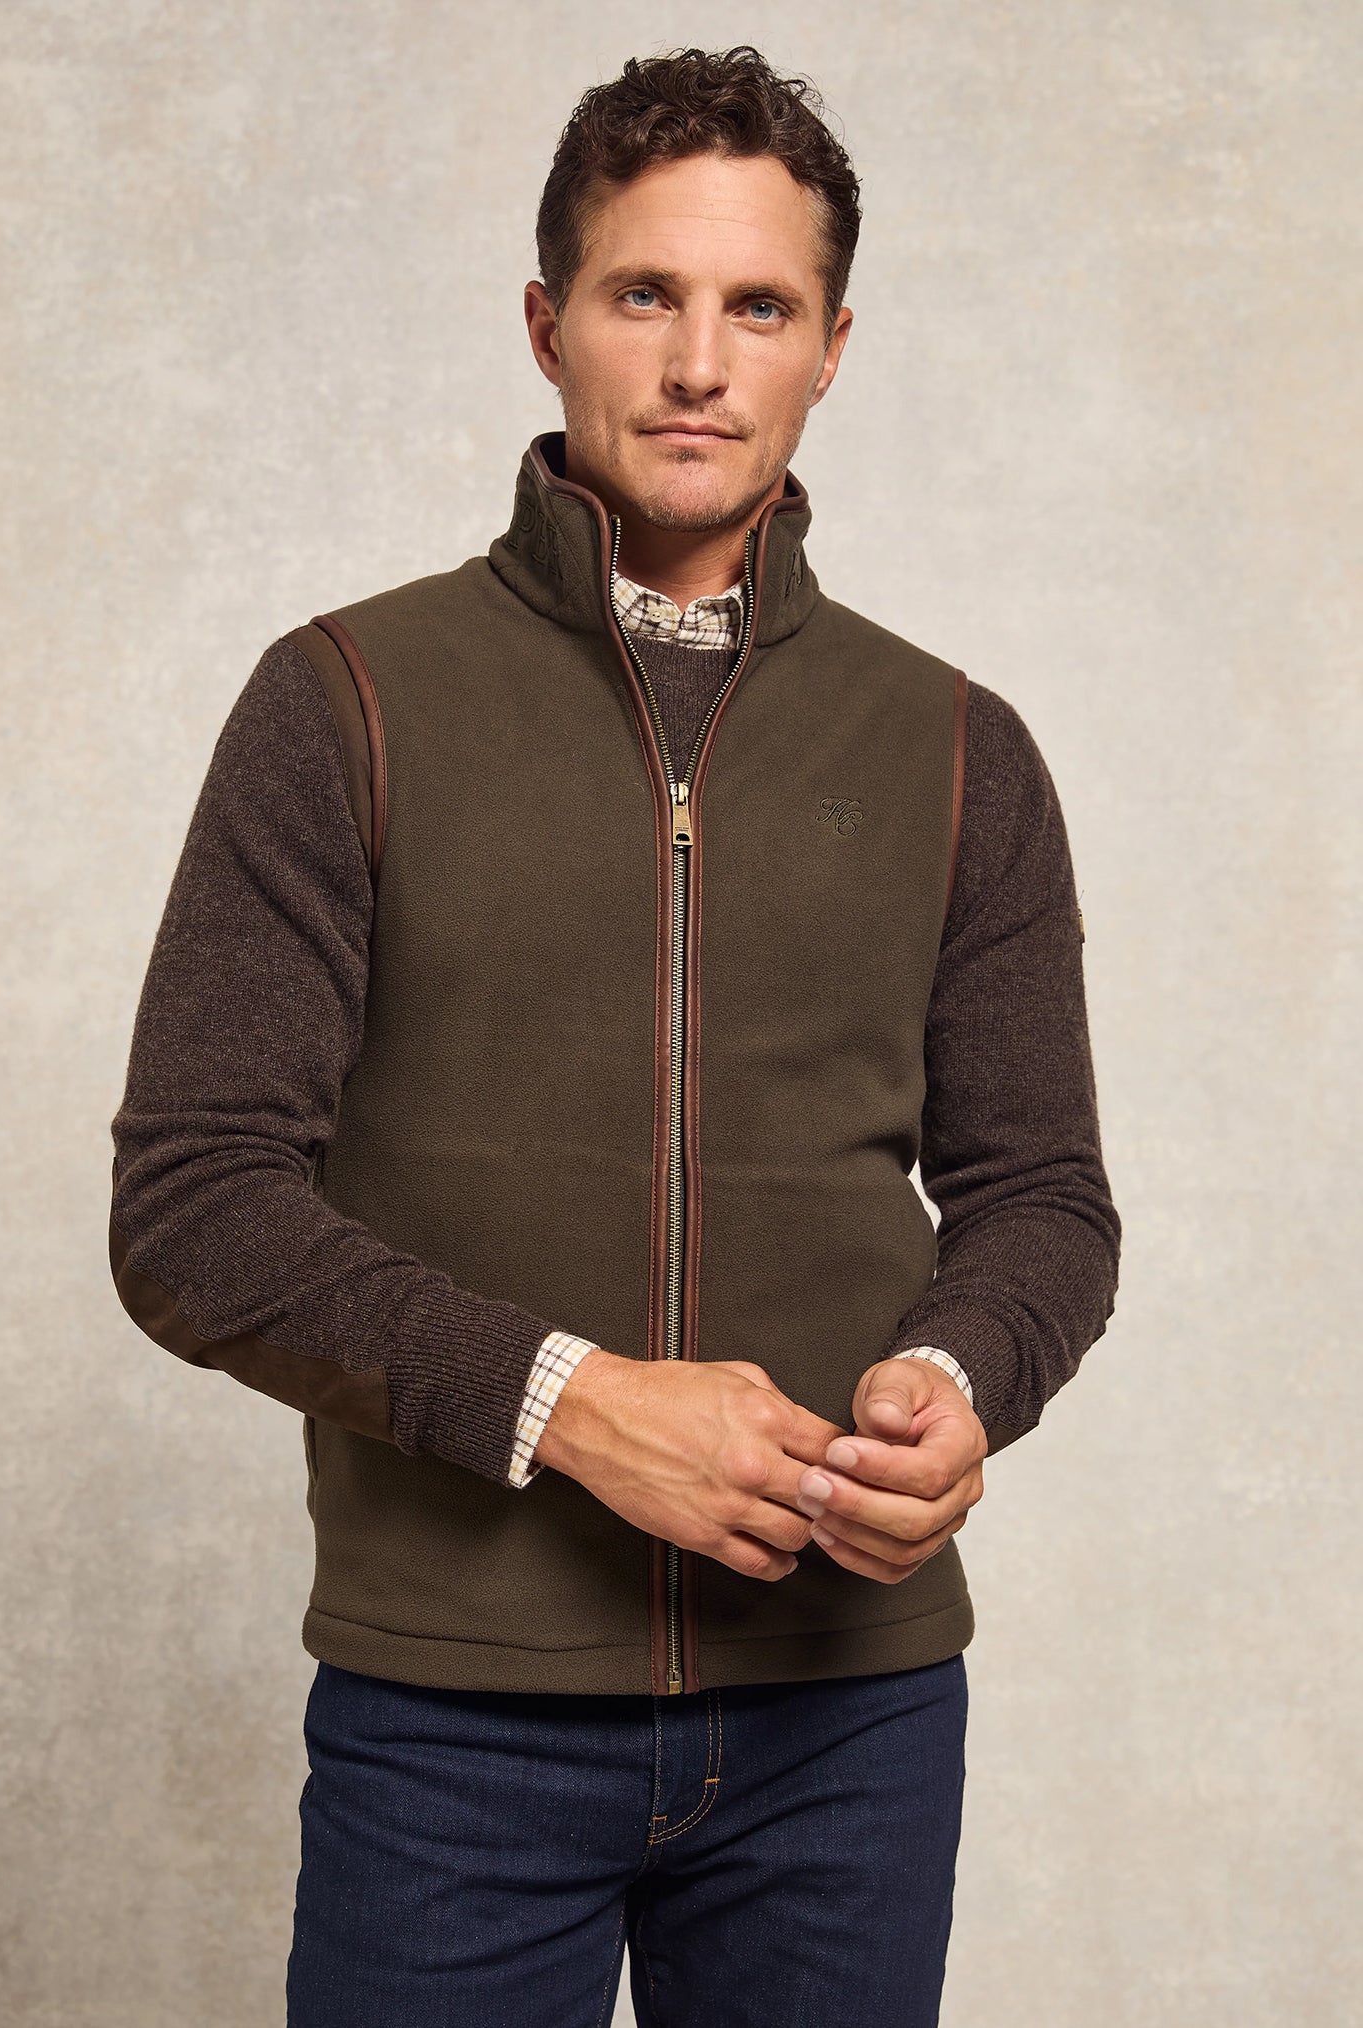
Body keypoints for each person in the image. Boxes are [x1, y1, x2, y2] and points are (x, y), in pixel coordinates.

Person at [107, 43, 1120, 2028]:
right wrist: (566, 1403)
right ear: (546, 323)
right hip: (452, 1718)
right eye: (644, 293)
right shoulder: (345, 702)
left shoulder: (955, 750)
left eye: (760, 307)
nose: (698, 363)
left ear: (831, 349)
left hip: (851, 1716)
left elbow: (1042, 1198)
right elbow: (195, 1206)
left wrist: (959, 1375)